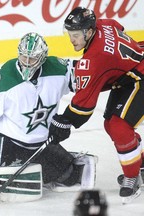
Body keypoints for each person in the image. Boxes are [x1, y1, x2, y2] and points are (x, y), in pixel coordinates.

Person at [0, 32, 96, 190]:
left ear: (42, 58)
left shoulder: (57, 68)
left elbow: (89, 75)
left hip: (39, 144)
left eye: (33, 58)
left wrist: (69, 118)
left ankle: (43, 169)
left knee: (72, 177)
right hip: (6, 142)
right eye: (23, 57)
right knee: (4, 184)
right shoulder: (7, 75)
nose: (27, 62)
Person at [48, 7, 144, 204]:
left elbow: (84, 105)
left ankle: (132, 177)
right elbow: (118, 26)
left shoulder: (94, 59)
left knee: (119, 127)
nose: (72, 40)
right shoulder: (102, 24)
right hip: (128, 76)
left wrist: (66, 121)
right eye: (70, 34)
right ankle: (139, 163)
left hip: (139, 77)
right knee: (112, 125)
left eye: (75, 35)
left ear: (89, 31)